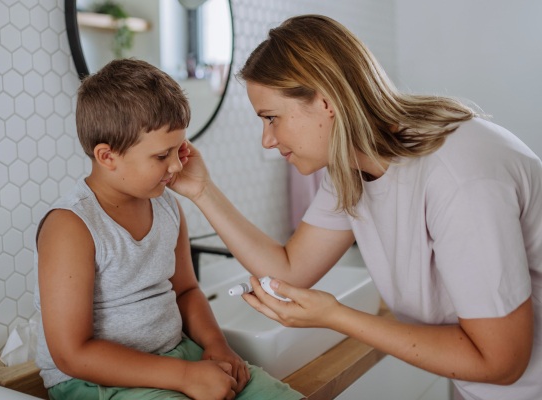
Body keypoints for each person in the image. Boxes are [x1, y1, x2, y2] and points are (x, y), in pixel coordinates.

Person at [170, 15, 542, 400]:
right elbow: (290, 270)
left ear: (326, 100)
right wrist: (202, 190)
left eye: (271, 118)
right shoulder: (351, 167)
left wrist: (334, 316)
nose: (267, 140)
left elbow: (503, 362)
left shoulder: (459, 177)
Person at [33, 59, 304, 400]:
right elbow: (72, 354)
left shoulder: (165, 204)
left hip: (176, 356)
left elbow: (187, 291)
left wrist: (217, 345)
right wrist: (184, 375)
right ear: (107, 156)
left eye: (179, 150)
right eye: (162, 156)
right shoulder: (70, 226)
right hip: (98, 381)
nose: (176, 166)